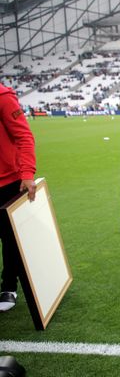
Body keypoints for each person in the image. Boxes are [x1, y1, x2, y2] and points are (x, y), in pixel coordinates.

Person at [0, 83, 36, 312]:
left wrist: (26, 173)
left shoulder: (2, 96)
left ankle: (8, 286)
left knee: (9, 238)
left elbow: (23, 134)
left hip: (6, 181)